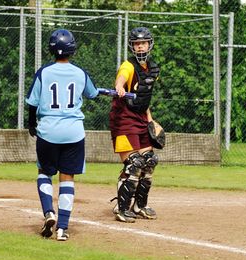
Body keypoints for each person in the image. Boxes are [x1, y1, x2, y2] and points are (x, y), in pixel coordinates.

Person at [26, 29, 99, 240]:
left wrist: (32, 125)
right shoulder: (79, 73)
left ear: (51, 49)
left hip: (48, 131)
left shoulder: (44, 72)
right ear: (72, 49)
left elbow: (32, 102)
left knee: (44, 172)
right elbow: (92, 93)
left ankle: (49, 212)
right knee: (67, 177)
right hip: (73, 133)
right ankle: (62, 228)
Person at [109, 27, 160, 223]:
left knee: (149, 160)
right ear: (132, 46)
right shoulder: (128, 66)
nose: (140, 47)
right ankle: (122, 208)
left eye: (144, 43)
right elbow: (121, 79)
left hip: (140, 117)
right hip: (123, 119)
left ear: (149, 45)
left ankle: (140, 205)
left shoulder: (153, 69)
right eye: (137, 43)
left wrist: (151, 121)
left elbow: (144, 98)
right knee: (134, 163)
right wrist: (120, 87)